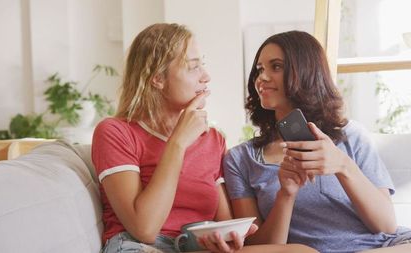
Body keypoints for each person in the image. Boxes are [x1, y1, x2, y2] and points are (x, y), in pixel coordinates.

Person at [92, 23, 317, 253]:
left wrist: (228, 238)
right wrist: (178, 142)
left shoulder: (212, 140)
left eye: (203, 65)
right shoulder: (115, 132)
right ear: (158, 78)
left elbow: (224, 223)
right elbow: (145, 228)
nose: (206, 77)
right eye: (193, 67)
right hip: (138, 246)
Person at [223, 30, 411, 253]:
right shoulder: (240, 159)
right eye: (260, 69)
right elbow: (262, 249)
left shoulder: (351, 136)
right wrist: (286, 194)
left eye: (276, 66)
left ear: (305, 72)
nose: (261, 78)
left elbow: (386, 226)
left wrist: (343, 166)